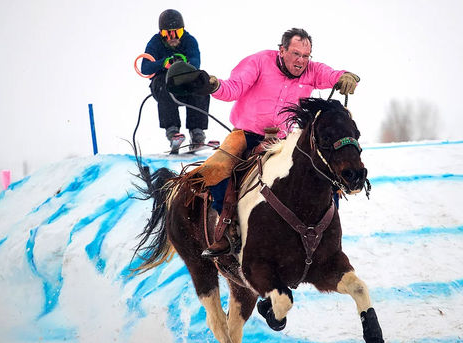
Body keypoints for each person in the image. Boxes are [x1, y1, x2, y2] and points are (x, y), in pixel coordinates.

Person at [170, 28, 359, 257]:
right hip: (246, 135)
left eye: (306, 56)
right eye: (296, 54)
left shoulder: (311, 70)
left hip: (286, 142)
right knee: (216, 169)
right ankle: (229, 228)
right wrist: (213, 85)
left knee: (324, 175)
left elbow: (330, 74)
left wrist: (344, 77)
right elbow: (233, 88)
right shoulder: (258, 62)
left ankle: (326, 235)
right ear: (282, 50)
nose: (301, 61)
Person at [140, 9, 210, 153]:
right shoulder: (154, 44)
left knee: (201, 83)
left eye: (176, 33)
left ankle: (197, 132)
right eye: (167, 33)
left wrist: (184, 62)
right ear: (161, 33)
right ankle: (172, 132)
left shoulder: (189, 41)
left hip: (185, 81)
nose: (172, 37)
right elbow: (145, 68)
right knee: (164, 86)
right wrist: (163, 63)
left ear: (182, 31)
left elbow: (196, 62)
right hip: (163, 85)